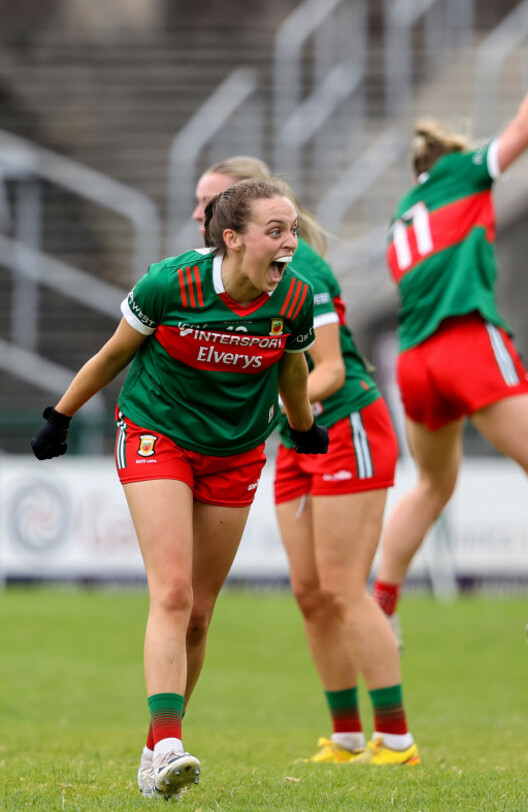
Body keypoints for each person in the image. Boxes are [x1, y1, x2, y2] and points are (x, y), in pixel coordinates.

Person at [31, 178, 329, 800]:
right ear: (232, 238)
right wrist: (60, 415)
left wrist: (303, 429)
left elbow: (293, 366)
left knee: (198, 614)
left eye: (294, 230)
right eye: (276, 231)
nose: (290, 244)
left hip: (236, 453)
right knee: (171, 590)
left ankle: (152, 753)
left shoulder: (295, 298)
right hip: (156, 434)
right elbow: (115, 355)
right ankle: (171, 741)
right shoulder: (170, 284)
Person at [372, 21, 528, 667]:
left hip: (416, 363)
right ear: (449, 159)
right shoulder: (464, 174)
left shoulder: (401, 217)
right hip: (468, 343)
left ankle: (380, 607)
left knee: (427, 487)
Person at [193, 157, 420, 765]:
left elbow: (332, 371)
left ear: (237, 217)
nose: (197, 214)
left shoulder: (300, 270)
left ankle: (397, 740)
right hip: (298, 438)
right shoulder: (216, 278)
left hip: (346, 426)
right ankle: (347, 737)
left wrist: (252, 405)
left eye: (209, 202)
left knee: (345, 587)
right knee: (310, 592)